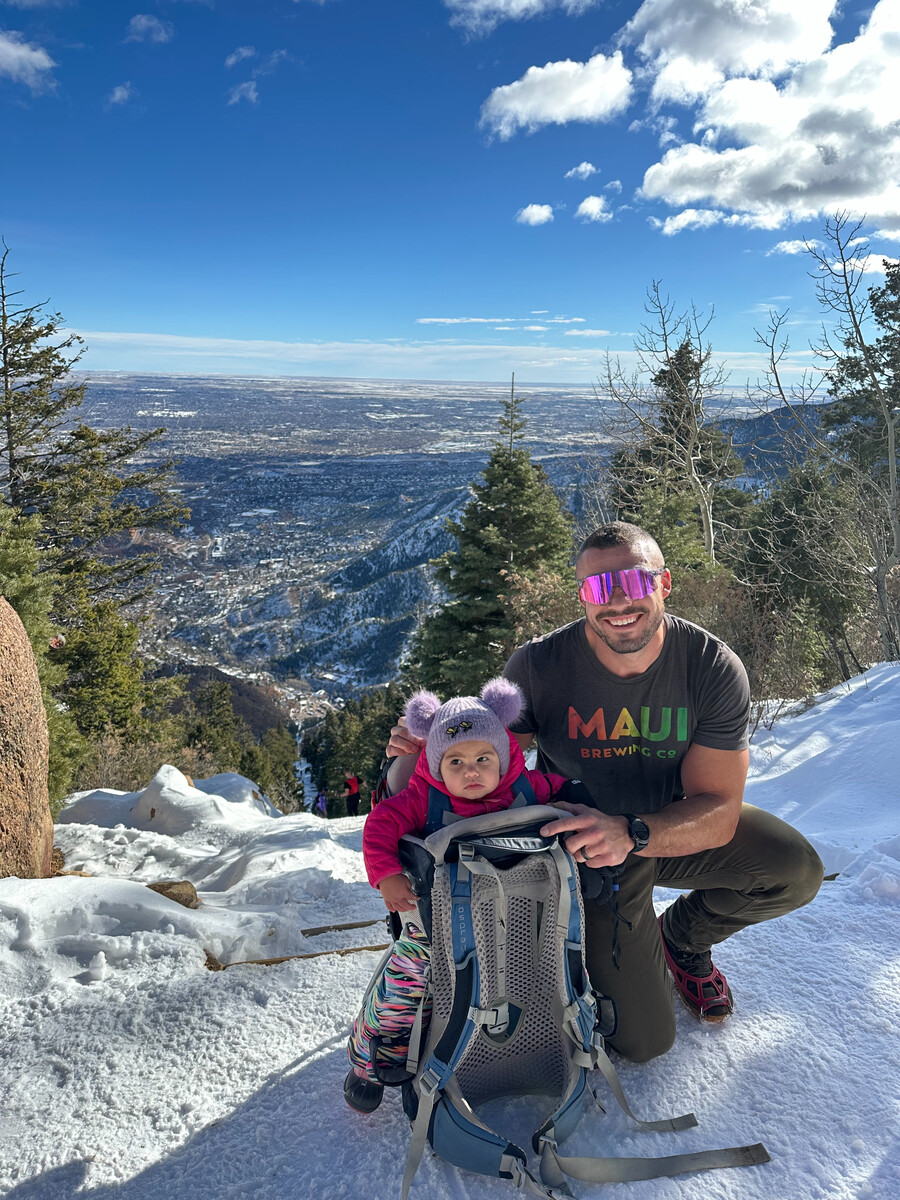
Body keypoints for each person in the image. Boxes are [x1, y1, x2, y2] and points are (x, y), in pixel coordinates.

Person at [387, 521, 824, 1063]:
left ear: (664, 584)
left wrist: (634, 832)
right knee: (643, 1043)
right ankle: (601, 953)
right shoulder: (539, 666)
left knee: (795, 869)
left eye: (635, 583)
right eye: (598, 588)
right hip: (581, 854)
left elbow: (719, 813)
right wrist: (416, 757)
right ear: (582, 598)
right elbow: (479, 768)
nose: (617, 602)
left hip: (659, 832)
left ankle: (682, 940)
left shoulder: (710, 667)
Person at [344, 677, 568, 1114]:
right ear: (435, 764)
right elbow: (380, 826)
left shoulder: (526, 788)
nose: (471, 771)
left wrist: (586, 808)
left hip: (517, 915)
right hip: (434, 924)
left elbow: (564, 789)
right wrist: (387, 874)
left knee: (537, 974)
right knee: (404, 994)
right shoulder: (422, 799)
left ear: (503, 759)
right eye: (456, 761)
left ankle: (543, 1041)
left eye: (484, 758)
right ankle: (369, 1062)